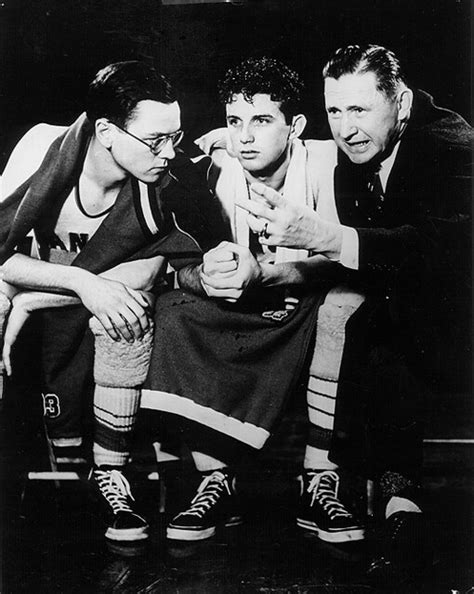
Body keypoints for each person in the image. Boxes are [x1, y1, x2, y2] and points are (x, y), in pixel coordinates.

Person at [219, 46, 472, 581]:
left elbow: (444, 252)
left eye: (359, 110)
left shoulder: (450, 144)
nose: (346, 128)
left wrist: (323, 237)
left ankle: (379, 490)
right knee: (367, 314)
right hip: (412, 309)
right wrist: (265, 273)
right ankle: (391, 498)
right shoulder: (361, 152)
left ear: (400, 103)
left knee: (377, 315)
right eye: (336, 111)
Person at [0, 61, 227, 543]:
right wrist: (84, 284)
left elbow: (147, 273)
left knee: (128, 310)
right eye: (155, 140)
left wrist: (38, 298)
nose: (169, 152)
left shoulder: (171, 180)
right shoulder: (42, 146)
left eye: (176, 136)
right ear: (105, 130)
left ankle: (109, 473)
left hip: (71, 313)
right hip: (28, 295)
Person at [142, 57, 365, 545]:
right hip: (255, 304)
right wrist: (210, 275)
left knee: (344, 302)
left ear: (296, 127)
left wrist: (264, 272)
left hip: (306, 298)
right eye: (234, 122)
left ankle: (319, 478)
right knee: (173, 310)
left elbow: (346, 258)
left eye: (262, 121)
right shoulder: (215, 173)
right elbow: (184, 267)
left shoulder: (329, 163)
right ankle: (217, 478)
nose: (245, 136)